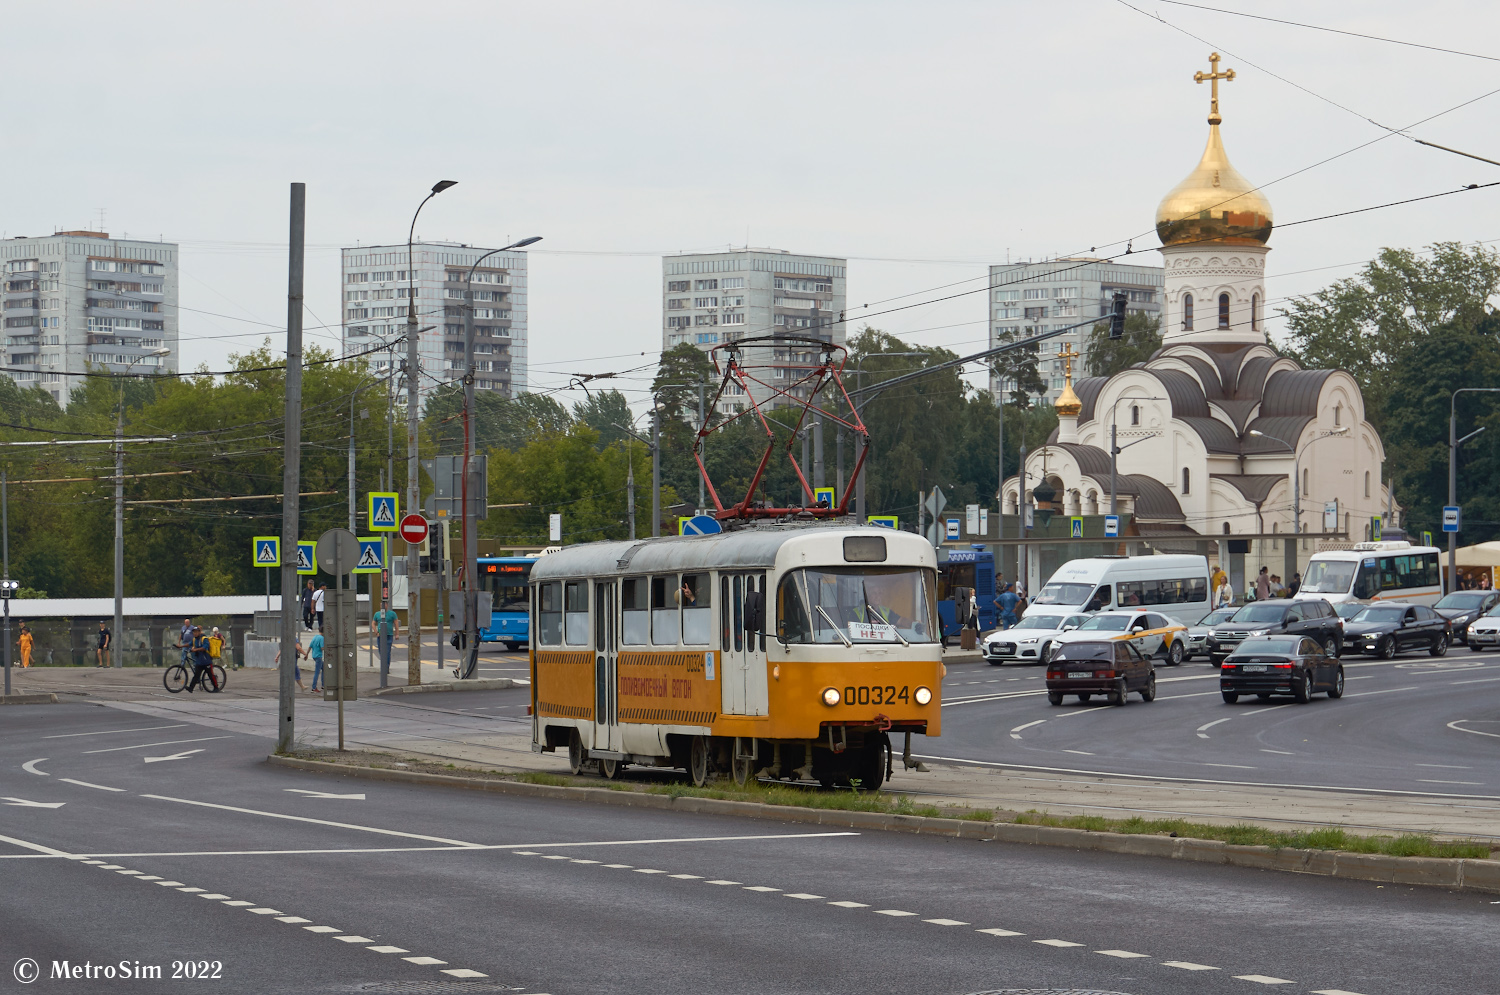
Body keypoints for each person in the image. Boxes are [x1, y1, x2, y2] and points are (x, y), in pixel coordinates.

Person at [373, 603, 400, 683]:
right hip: (380, 635)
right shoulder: (377, 614)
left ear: (387, 605)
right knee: (381, 651)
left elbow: (396, 624)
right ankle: (383, 665)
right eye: (381, 605)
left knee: (387, 651)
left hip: (389, 635)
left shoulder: (392, 614)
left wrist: (397, 634)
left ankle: (386, 667)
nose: (382, 606)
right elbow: (373, 623)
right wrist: (376, 632)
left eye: (384, 604)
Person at [186, 625, 213, 692]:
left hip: (206, 660)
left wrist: (196, 650)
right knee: (196, 675)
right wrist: (180, 646)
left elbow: (204, 648)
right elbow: (189, 644)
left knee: (211, 675)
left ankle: (216, 687)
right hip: (200, 661)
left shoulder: (204, 639)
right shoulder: (195, 639)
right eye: (194, 632)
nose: (195, 633)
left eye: (196, 632)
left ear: (199, 632)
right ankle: (191, 688)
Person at [308, 629, 325, 693]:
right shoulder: (322, 638)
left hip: (314, 656)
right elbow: (322, 648)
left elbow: (310, 646)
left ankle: (323, 685)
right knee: (317, 672)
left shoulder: (315, 637)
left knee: (324, 668)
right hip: (319, 656)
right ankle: (314, 687)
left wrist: (306, 654)